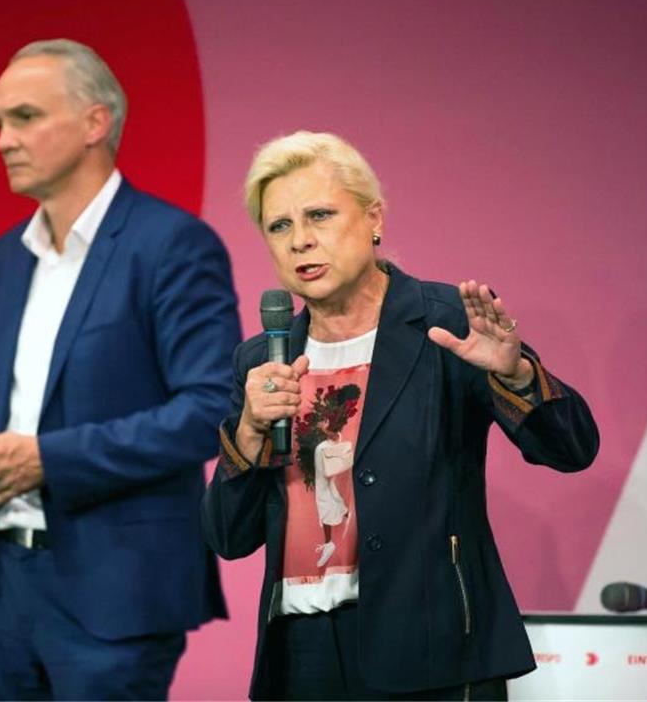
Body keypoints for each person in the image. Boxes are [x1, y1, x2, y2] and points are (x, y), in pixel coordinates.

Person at [202, 131, 599, 700]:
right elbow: (228, 536)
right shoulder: (263, 359)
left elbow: (572, 450)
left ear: (373, 218)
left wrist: (514, 375)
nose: (301, 242)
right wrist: (248, 432)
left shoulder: (446, 325)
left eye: (319, 215)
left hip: (431, 648)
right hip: (302, 659)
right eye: (279, 226)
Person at [0, 39, 241, 700]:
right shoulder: (7, 259)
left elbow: (211, 409)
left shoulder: (172, 245)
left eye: (25, 117)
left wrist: (50, 459)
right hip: (6, 587)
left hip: (116, 594)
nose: (3, 141)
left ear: (96, 123)